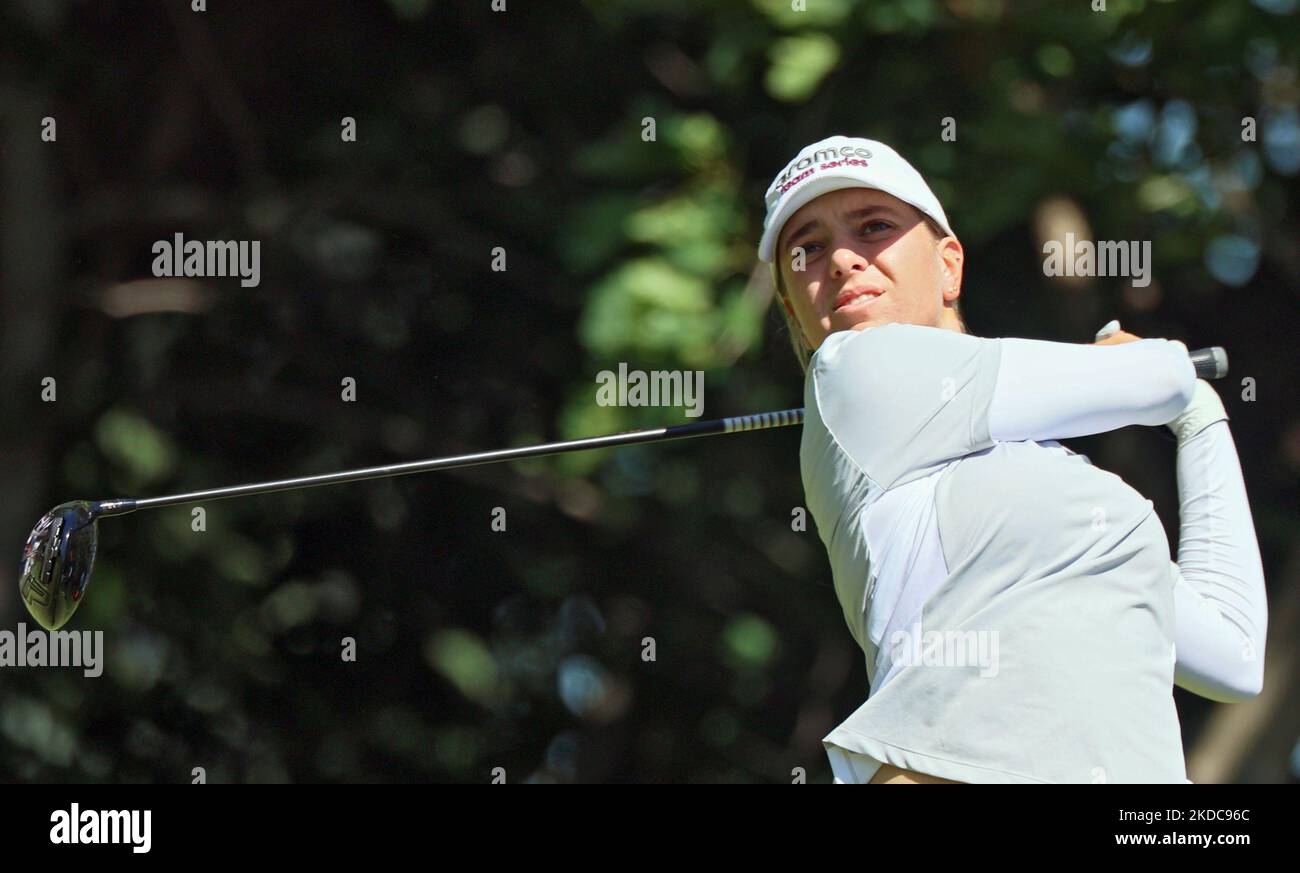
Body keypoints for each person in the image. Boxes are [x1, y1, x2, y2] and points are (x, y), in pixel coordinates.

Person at [757, 136, 1269, 784]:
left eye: (873, 226)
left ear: (949, 265)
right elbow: (1153, 382)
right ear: (793, 310)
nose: (842, 260)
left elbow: (1234, 654)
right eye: (807, 247)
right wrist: (1166, 371)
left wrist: (1201, 419)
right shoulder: (851, 368)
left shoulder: (1074, 491)